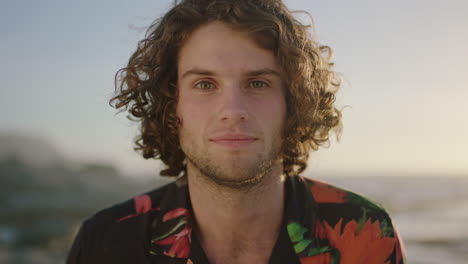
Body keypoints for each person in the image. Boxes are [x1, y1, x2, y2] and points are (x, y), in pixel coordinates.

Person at [67, 0, 406, 263]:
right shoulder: (105, 243)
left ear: (294, 102)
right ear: (172, 107)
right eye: (204, 84)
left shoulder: (368, 235)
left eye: (258, 83)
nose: (233, 110)